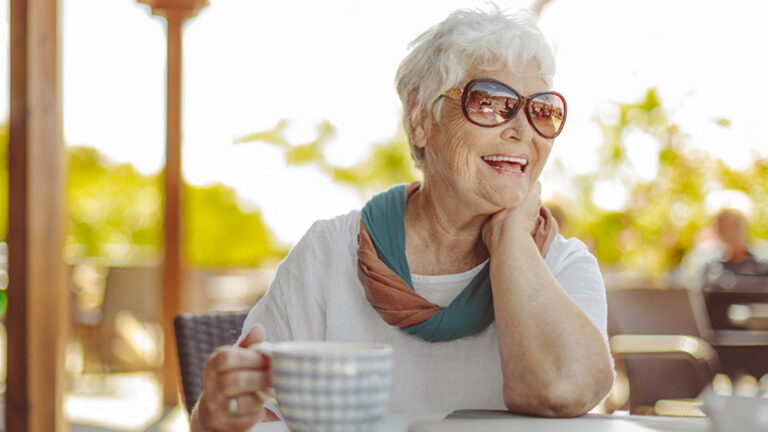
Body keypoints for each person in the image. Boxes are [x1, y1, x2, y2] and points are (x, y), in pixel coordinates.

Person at [191, 7, 614, 431]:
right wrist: (219, 413)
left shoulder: (563, 267)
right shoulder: (329, 254)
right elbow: (247, 417)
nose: (522, 130)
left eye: (541, 111)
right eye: (489, 103)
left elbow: (561, 392)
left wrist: (512, 239)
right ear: (420, 119)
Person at [703, 208, 768, 283]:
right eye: (726, 228)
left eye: (736, 226)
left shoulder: (761, 266)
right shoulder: (713, 268)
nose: (732, 234)